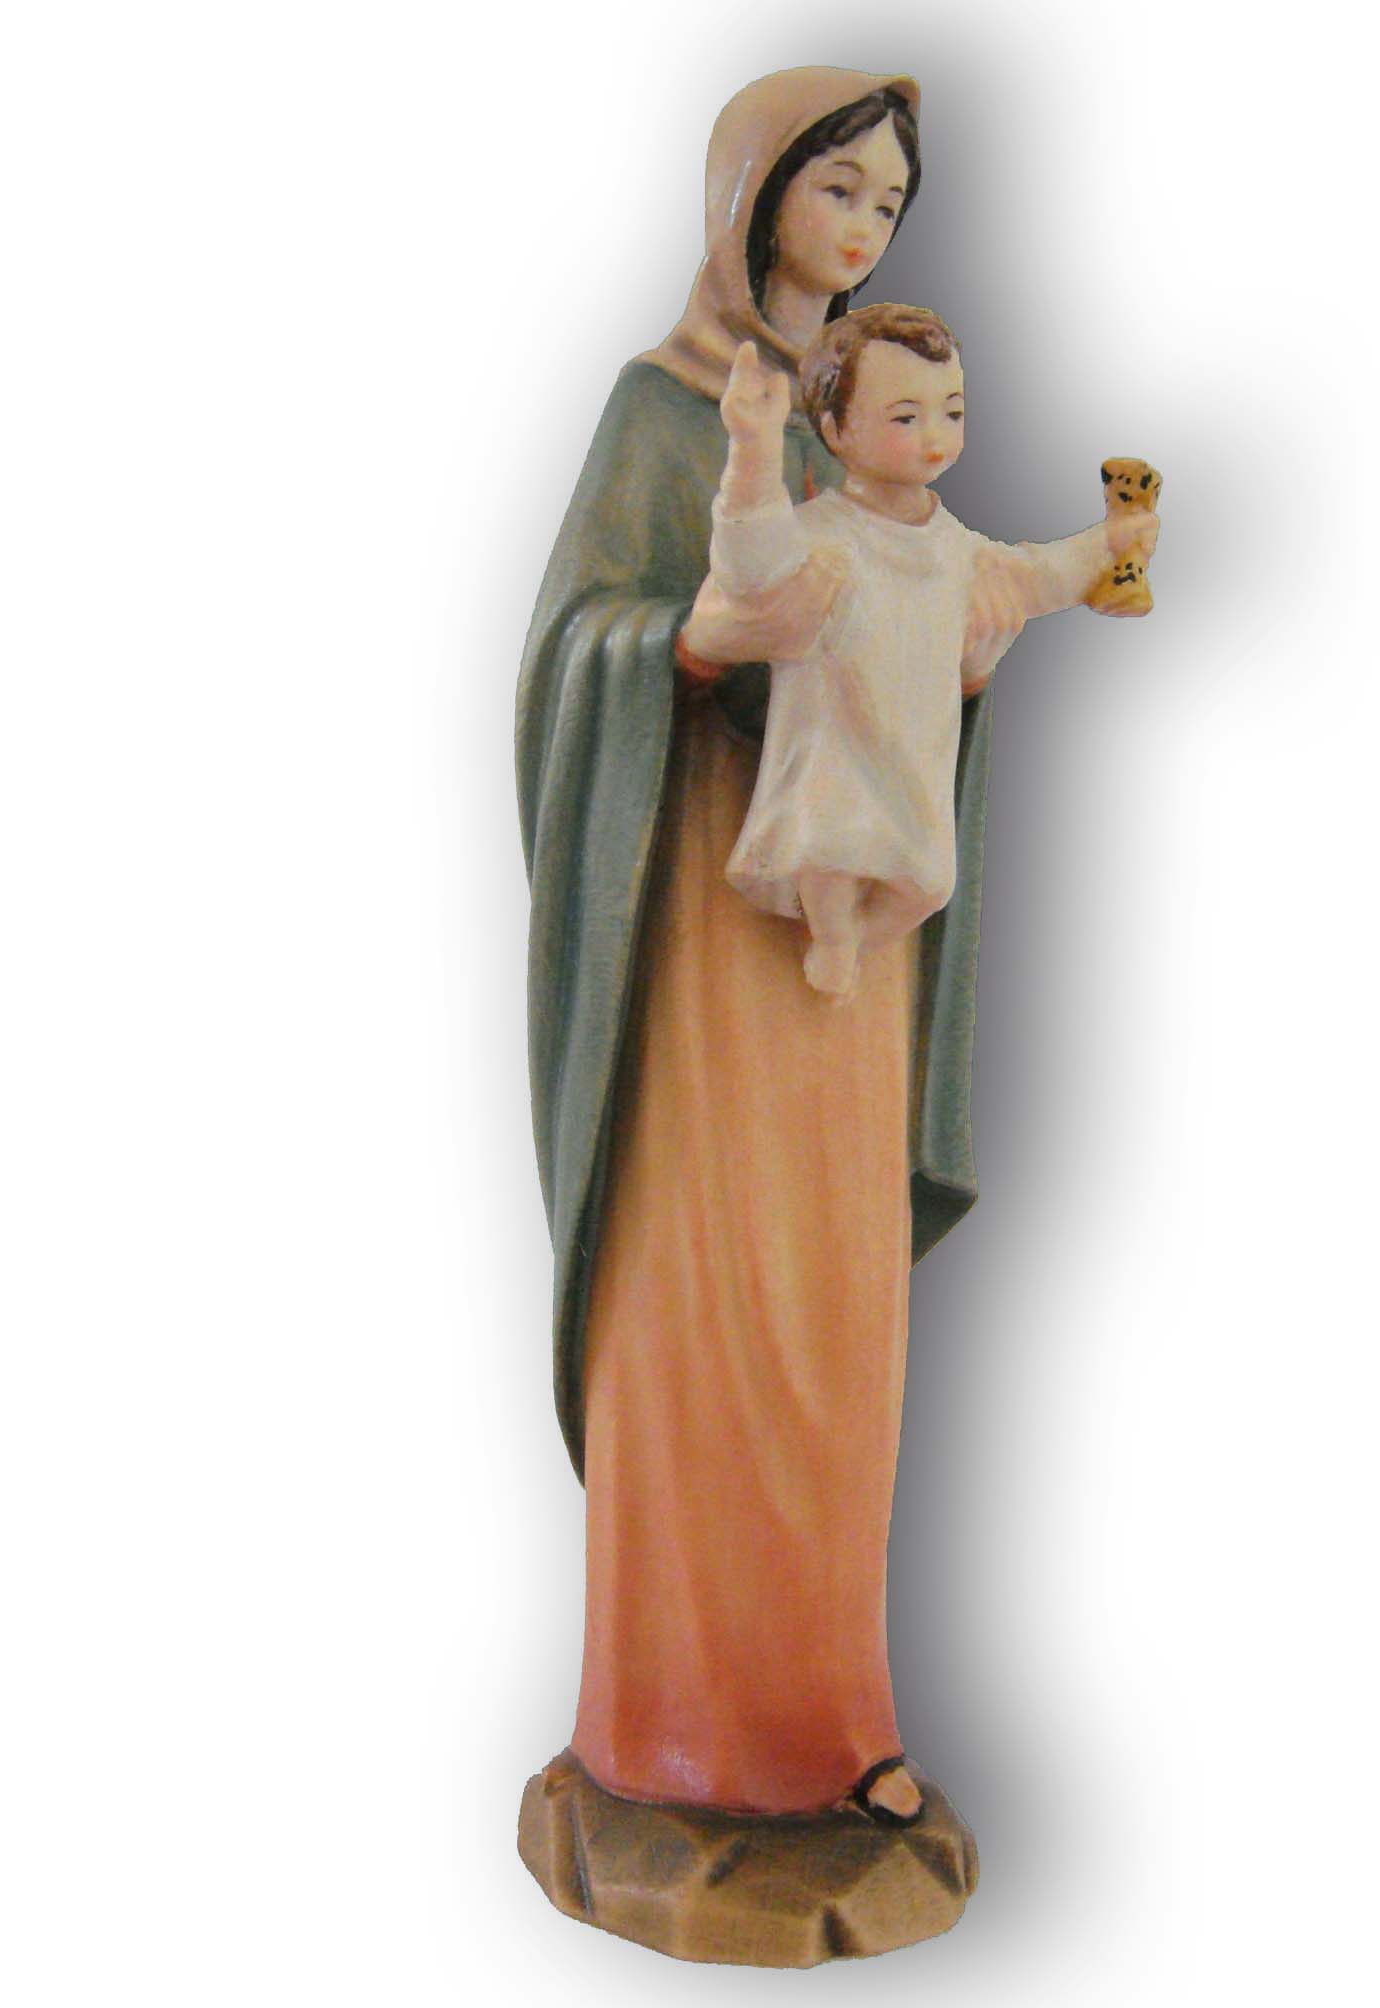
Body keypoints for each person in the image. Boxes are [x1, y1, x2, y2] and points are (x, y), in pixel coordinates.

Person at [518, 68, 1035, 1827]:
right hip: (697, 929)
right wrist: (686, 642)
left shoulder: (875, 421)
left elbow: (931, 622)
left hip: (852, 951)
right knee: (705, 1299)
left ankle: (828, 1722)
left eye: (888, 200)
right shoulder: (666, 407)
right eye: (837, 187)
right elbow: (569, 648)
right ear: (751, 192)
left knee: (835, 1313)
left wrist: (965, 664)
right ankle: (664, 1728)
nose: (865, 225)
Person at [711, 306, 1154, 995]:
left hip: (915, 747)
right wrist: (752, 453)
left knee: (929, 883)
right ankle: (832, 935)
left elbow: (1036, 575)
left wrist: (1108, 544)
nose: (934, 438)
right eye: (905, 418)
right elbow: (751, 566)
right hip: (834, 735)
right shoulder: (822, 534)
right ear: (835, 429)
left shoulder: (956, 550)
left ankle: (855, 943)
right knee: (828, 845)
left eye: (952, 412)